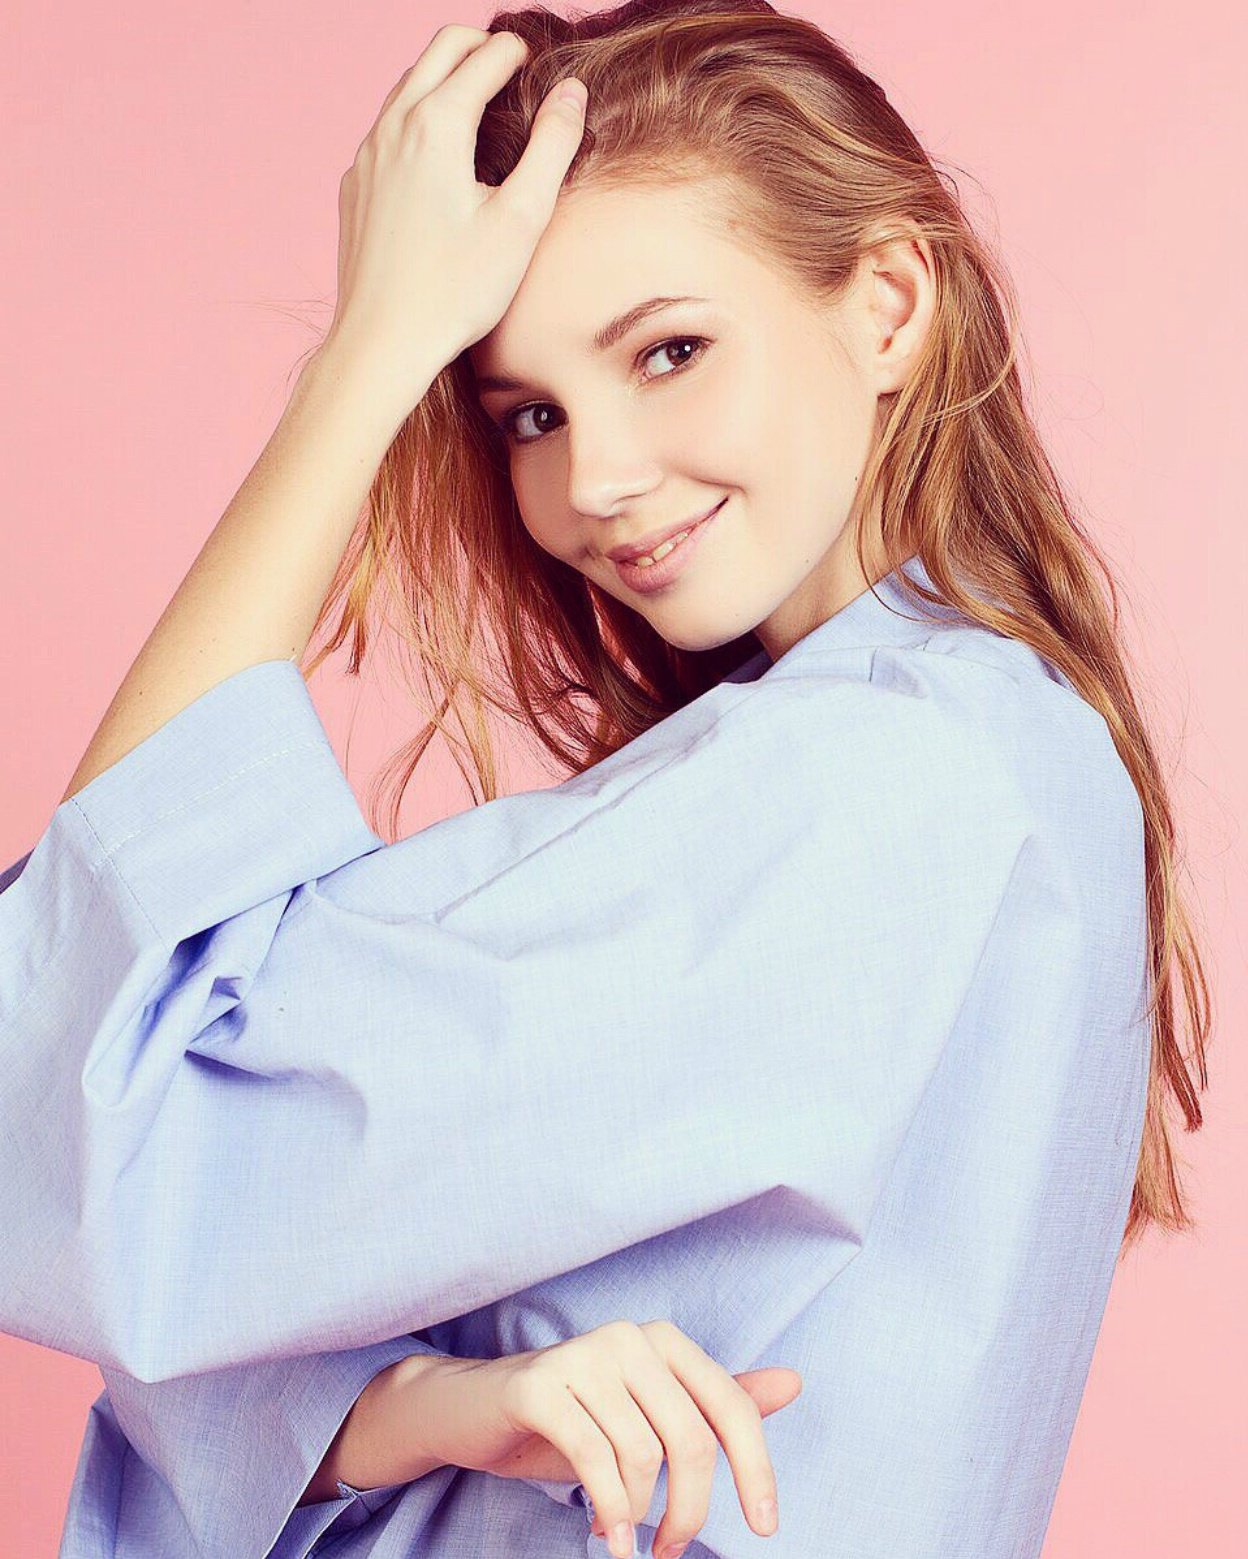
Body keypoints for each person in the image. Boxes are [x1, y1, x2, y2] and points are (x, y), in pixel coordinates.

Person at [0, 2, 1212, 1556]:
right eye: (529, 415)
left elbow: (68, 1085)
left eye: (671, 351)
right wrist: (411, 1409)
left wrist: (361, 365)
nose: (596, 479)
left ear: (890, 304)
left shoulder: (876, 778)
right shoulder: (1003, 740)